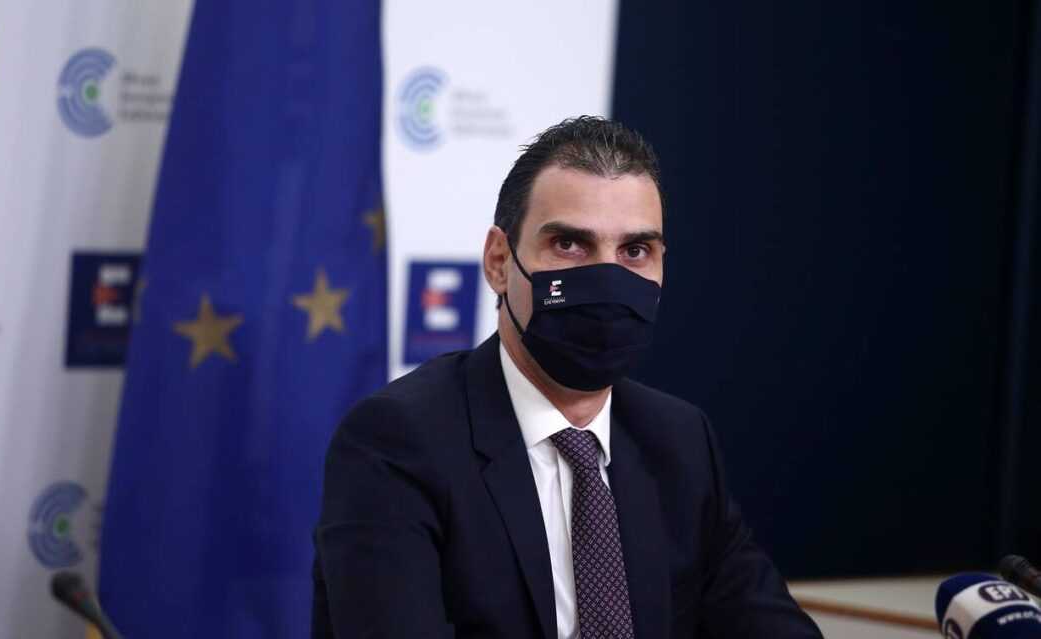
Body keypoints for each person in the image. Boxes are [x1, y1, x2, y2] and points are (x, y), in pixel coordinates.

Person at [312, 116, 822, 638]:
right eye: (570, 245)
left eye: (635, 251)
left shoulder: (679, 441)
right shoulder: (397, 442)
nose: (607, 279)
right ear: (499, 262)